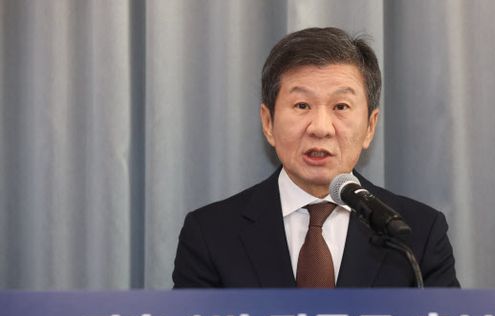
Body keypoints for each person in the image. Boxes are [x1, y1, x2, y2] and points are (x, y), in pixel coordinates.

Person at [173, 27, 460, 289]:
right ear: (268, 123)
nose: (321, 128)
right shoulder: (210, 235)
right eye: (301, 105)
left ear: (370, 127)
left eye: (341, 106)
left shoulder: (416, 235)